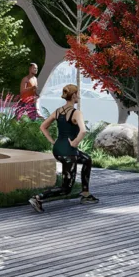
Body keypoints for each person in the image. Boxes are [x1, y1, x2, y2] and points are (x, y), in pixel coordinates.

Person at [29, 83, 94, 211]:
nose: (78, 96)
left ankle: (85, 193)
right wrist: (75, 143)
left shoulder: (58, 111)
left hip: (58, 149)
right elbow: (83, 131)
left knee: (87, 159)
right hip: (69, 151)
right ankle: (38, 197)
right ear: (74, 95)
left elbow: (43, 127)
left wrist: (53, 142)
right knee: (66, 188)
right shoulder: (76, 113)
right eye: (77, 94)